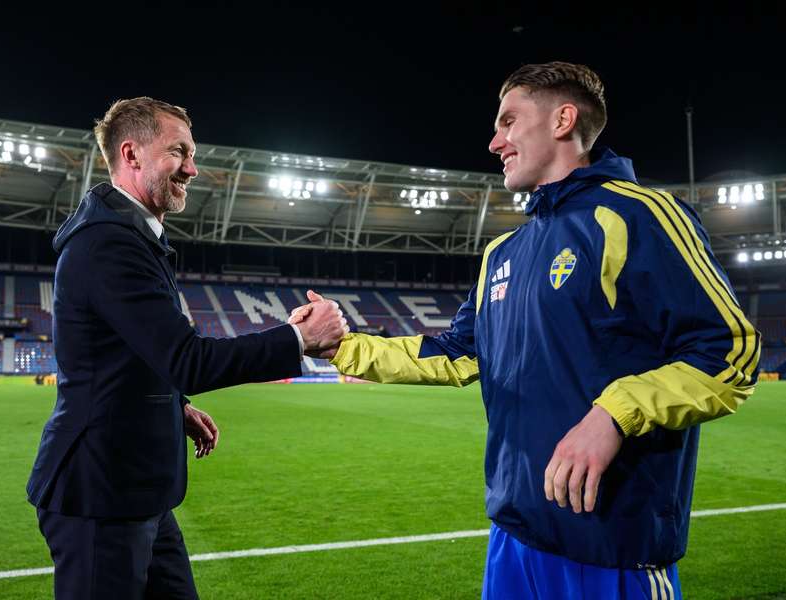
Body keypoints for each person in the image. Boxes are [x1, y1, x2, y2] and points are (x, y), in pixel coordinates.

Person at [290, 62, 760, 599]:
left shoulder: (639, 215)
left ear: (563, 119)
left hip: (611, 543)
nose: (495, 142)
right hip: (515, 531)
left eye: (509, 121)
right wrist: (345, 348)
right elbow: (456, 352)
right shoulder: (504, 252)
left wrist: (612, 414)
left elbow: (730, 352)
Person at [26, 97, 348, 600]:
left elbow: (130, 352)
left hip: (138, 490)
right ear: (131, 155)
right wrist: (300, 340)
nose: (193, 169)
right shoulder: (108, 243)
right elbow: (188, 359)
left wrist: (174, 405)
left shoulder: (129, 234)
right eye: (179, 152)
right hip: (100, 493)